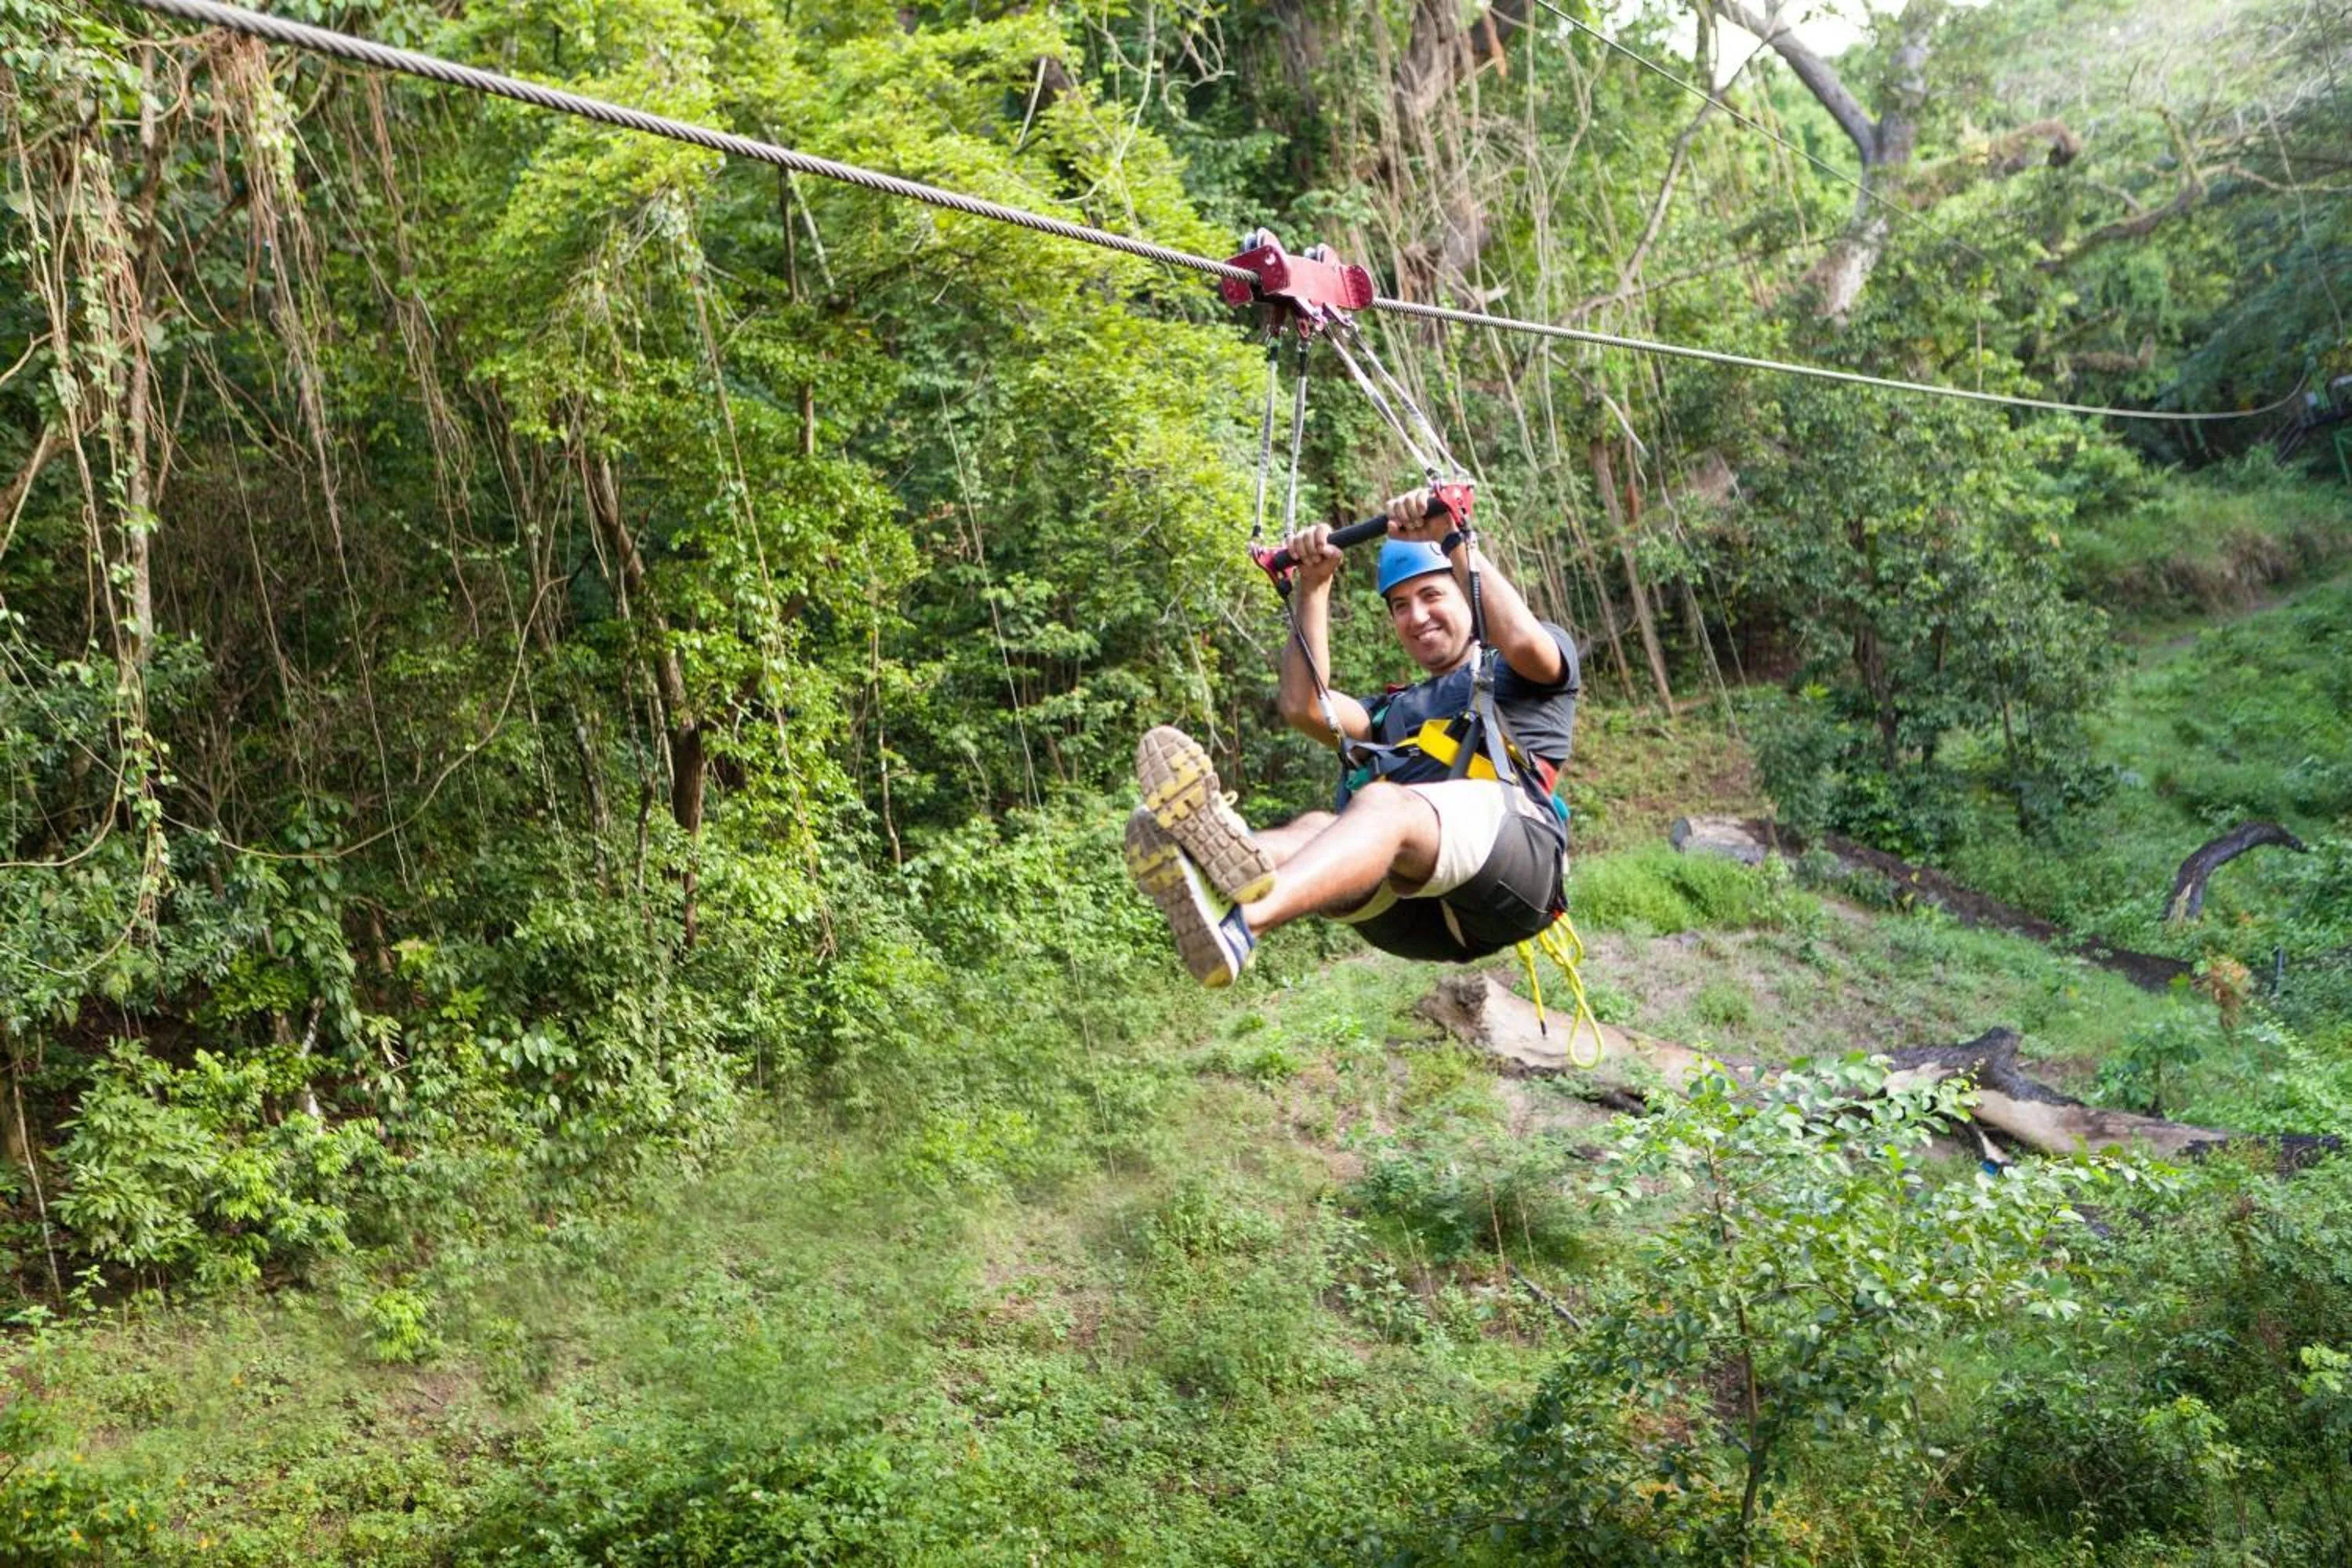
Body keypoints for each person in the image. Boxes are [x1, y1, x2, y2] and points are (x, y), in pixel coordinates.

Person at [1127, 486, 1580, 985]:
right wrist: (1313, 585)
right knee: (1320, 824)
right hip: (1412, 916)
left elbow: (1520, 641)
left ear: (1465, 595)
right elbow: (1304, 706)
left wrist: (1451, 536)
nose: (1418, 616)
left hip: (1515, 878)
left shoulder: (1520, 670)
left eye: (1432, 595)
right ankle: (1203, 864)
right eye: (1401, 606)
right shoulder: (1389, 713)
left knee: (1383, 803)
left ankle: (1243, 926)